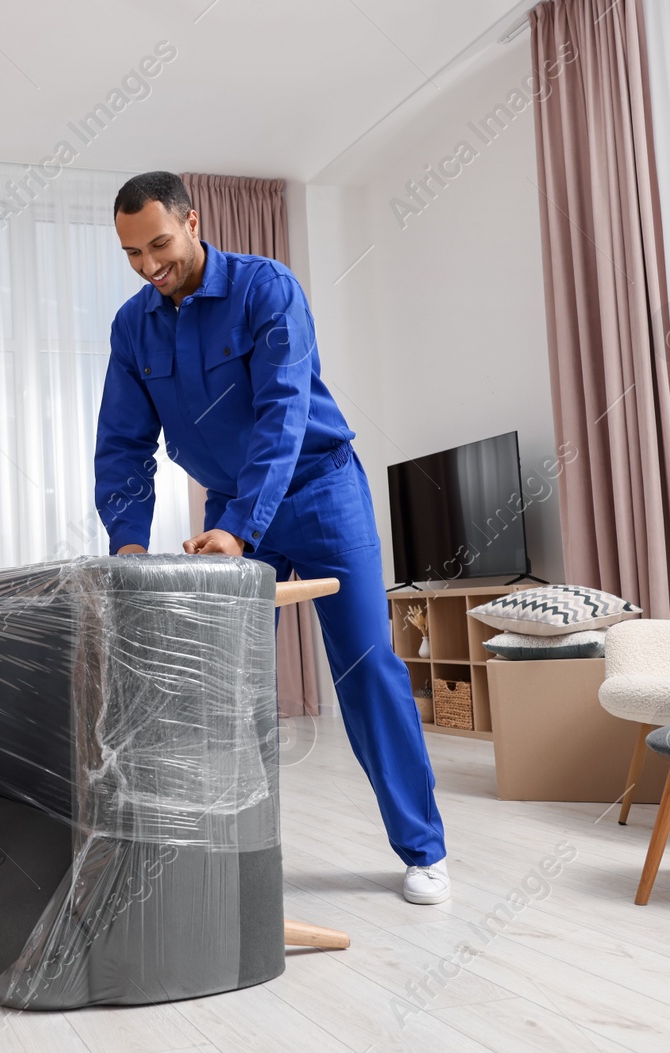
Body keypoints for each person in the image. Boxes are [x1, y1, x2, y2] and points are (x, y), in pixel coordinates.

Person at [93, 173, 450, 904]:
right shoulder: (133, 327)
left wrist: (237, 527)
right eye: (131, 253)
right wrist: (127, 542)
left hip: (319, 490)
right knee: (206, 676)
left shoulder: (267, 289)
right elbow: (123, 444)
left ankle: (424, 849)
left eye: (158, 244)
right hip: (228, 505)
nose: (148, 265)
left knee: (364, 667)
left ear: (193, 221)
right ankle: (207, 855)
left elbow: (282, 414)